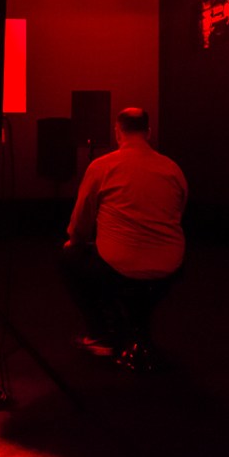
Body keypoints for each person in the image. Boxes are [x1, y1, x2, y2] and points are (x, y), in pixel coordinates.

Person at [63, 107, 187, 363]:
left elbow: (80, 223)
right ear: (148, 132)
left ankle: (100, 333)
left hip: (119, 266)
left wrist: (76, 242)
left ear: (117, 132)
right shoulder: (172, 169)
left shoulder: (102, 166)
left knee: (68, 258)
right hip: (169, 264)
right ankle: (138, 330)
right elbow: (178, 212)